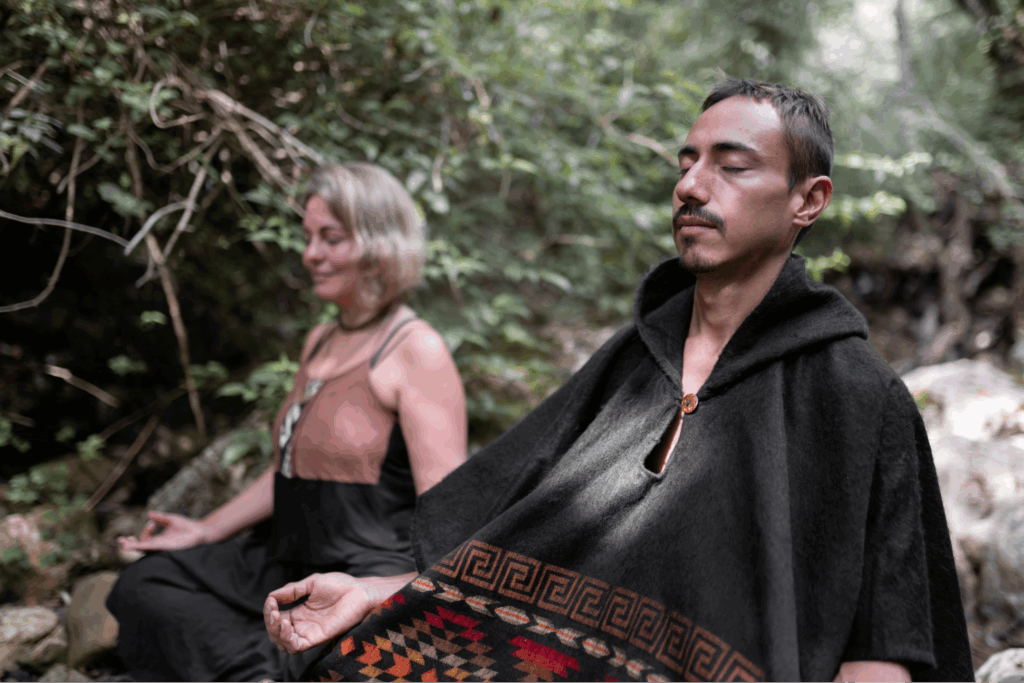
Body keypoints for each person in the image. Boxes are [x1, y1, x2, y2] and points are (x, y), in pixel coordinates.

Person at [264, 80, 973, 682]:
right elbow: (514, 531)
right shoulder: (636, 356)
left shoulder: (858, 397)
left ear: (807, 201)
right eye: (687, 163)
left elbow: (886, 649)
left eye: (732, 166)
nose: (690, 186)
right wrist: (378, 591)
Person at [106, 162, 468, 682]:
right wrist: (205, 530)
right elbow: (290, 468)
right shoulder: (320, 340)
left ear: (380, 244)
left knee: (328, 649)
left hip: (360, 571)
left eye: (331, 238)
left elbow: (449, 511)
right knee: (144, 585)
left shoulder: (416, 350)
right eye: (308, 237)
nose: (311, 254)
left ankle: (262, 667)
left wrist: (395, 591)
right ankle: (261, 669)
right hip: (281, 559)